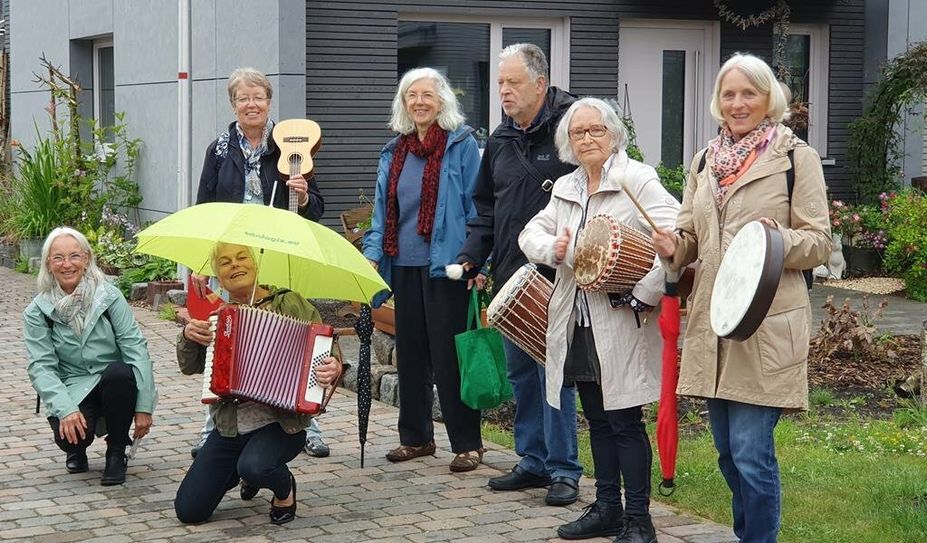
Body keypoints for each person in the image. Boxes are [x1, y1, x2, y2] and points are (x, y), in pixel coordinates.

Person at [651, 53, 830, 543]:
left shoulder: (796, 157)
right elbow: (690, 234)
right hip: (715, 320)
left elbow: (818, 241)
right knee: (728, 454)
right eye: (729, 94)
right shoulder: (705, 160)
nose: (737, 103)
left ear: (769, 98)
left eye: (748, 93)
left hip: (767, 322)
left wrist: (773, 240)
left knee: (752, 452)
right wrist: (673, 246)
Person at [519, 97, 678, 542]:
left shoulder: (636, 179)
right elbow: (529, 233)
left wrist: (643, 294)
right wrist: (557, 249)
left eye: (596, 131)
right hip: (578, 322)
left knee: (625, 421)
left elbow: (676, 238)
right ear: (567, 142)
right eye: (578, 132)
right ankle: (607, 507)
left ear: (614, 135)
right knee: (598, 419)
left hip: (622, 323)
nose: (587, 139)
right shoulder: (567, 187)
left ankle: (639, 520)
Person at [456, 43, 583, 505]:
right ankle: (532, 460)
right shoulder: (501, 139)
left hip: (558, 275)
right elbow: (486, 206)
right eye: (500, 84)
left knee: (555, 375)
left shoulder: (572, 129)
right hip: (511, 274)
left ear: (540, 83)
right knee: (522, 375)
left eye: (513, 82)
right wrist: (475, 255)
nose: (504, 92)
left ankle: (565, 468)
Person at [191, 66, 329, 459]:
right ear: (233, 104)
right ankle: (212, 428)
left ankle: (308, 424)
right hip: (235, 258)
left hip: (278, 252)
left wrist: (301, 196)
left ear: (269, 101)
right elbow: (206, 208)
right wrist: (203, 263)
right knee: (226, 343)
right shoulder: (219, 149)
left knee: (293, 340)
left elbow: (316, 210)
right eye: (242, 98)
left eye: (258, 97)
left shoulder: (292, 147)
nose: (251, 104)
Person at [362, 67, 485, 472]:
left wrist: (476, 258)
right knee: (411, 356)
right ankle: (415, 438)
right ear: (403, 103)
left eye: (427, 95)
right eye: (411, 95)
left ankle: (467, 443)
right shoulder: (393, 152)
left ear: (442, 100)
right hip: (404, 265)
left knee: (450, 356)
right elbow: (383, 212)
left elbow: (476, 208)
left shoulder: (461, 146)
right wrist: (372, 253)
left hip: (449, 266)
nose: (419, 102)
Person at [174, 243, 343, 525]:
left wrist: (333, 365)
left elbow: (326, 348)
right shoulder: (217, 315)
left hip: (282, 424)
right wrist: (188, 336)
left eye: (242, 258)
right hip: (231, 426)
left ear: (256, 265)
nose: (235, 265)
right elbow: (188, 366)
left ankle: (283, 487)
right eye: (225, 262)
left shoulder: (290, 303)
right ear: (217, 273)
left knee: (255, 466)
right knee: (189, 511)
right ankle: (239, 471)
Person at [24, 227, 157, 486]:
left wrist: (144, 405)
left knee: (120, 373)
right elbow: (41, 367)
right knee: (71, 437)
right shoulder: (37, 312)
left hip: (111, 380)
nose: (67, 264)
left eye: (74, 256)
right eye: (58, 258)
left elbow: (135, 347)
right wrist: (66, 410)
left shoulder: (109, 296)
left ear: (86, 259)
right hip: (73, 385)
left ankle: (117, 451)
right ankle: (77, 449)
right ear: (48, 264)